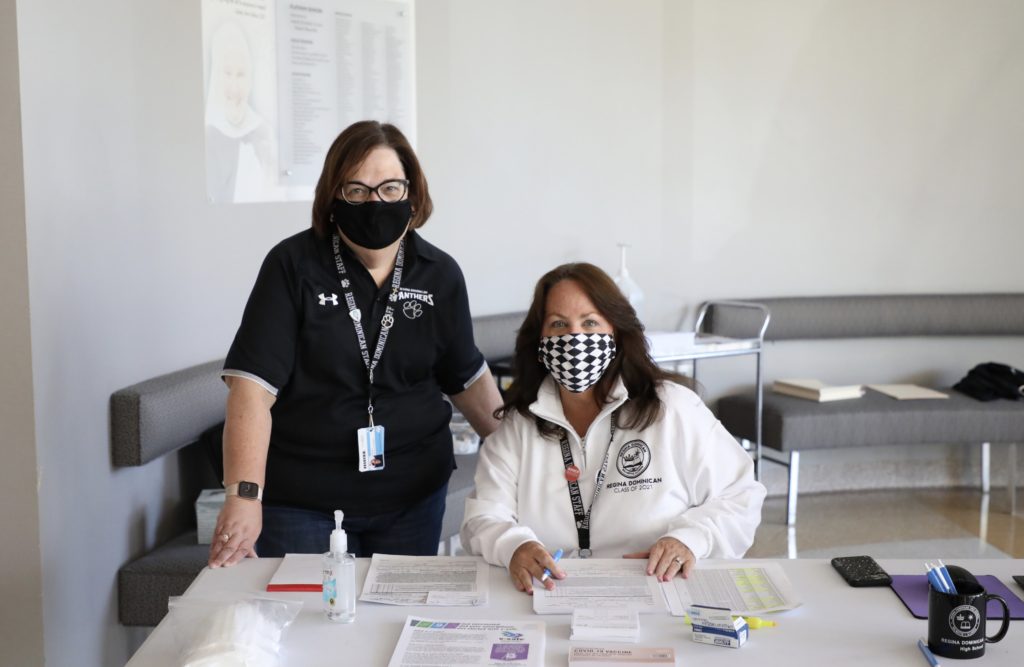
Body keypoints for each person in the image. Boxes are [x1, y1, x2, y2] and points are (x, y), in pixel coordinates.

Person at [208, 121, 503, 567]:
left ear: (412, 194)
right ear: (333, 196)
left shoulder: (439, 274)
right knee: (307, 610)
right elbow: (251, 390)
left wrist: (524, 463)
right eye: (357, 190)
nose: (375, 203)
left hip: (413, 497)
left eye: (390, 188)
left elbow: (467, 378)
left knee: (396, 610)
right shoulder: (292, 266)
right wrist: (244, 496)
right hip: (303, 502)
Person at [460, 263, 766, 594]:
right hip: (548, 594)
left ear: (616, 333)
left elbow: (741, 495)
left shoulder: (672, 408)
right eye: (558, 324)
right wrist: (513, 546)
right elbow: (483, 517)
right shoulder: (518, 425)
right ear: (539, 341)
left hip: (657, 591)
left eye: (590, 322)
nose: (574, 338)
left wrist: (690, 539)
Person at [204, 21, 276, 203]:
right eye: (227, 73)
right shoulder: (207, 136)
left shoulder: (265, 133)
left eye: (241, 74)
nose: (234, 87)